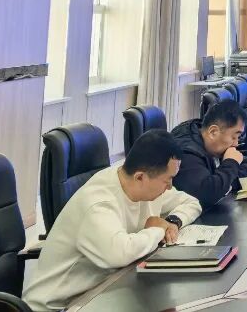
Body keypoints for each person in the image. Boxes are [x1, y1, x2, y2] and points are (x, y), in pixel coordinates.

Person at [22, 130, 201, 311]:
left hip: (105, 292)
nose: (170, 186)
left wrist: (172, 222)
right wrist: (157, 230)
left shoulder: (146, 185)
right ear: (140, 177)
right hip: (60, 306)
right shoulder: (99, 202)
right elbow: (120, 253)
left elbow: (191, 203)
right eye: (167, 180)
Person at [171, 100, 247, 209]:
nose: (236, 143)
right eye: (234, 137)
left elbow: (245, 165)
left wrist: (226, 179)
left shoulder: (205, 137)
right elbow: (207, 195)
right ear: (213, 132)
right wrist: (231, 163)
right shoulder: (187, 153)